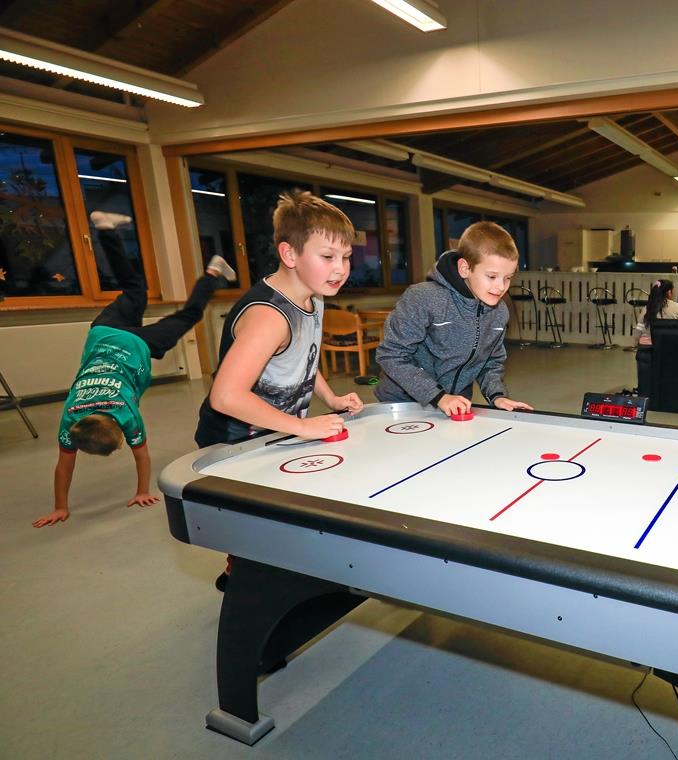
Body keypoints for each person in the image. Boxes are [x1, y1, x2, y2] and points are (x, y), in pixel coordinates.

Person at [195, 191, 364, 590]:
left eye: (346, 257)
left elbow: (303, 357)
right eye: (328, 257)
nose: (340, 269)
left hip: (277, 431)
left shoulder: (313, 295)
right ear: (289, 254)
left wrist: (331, 398)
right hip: (238, 443)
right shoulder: (270, 316)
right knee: (259, 536)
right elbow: (226, 396)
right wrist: (302, 427)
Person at [34, 211, 236, 528]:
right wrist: (61, 505)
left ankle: (212, 272)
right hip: (103, 331)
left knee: (189, 315)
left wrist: (142, 491)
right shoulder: (71, 415)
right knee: (134, 290)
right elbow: (64, 465)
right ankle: (105, 230)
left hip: (139, 344)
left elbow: (134, 457)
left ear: (118, 433)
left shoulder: (126, 414)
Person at [375, 221, 532, 415]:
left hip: (456, 405)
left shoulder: (499, 312)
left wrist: (497, 396)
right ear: (465, 268)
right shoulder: (423, 298)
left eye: (508, 278)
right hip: (405, 404)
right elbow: (391, 355)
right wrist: (438, 396)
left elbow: (490, 363)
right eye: (492, 276)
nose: (501, 287)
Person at [633, 278, 678, 395]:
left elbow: (638, 331)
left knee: (645, 381)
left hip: (645, 351)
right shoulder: (677, 307)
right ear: (669, 292)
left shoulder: (647, 308)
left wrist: (636, 342)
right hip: (669, 349)